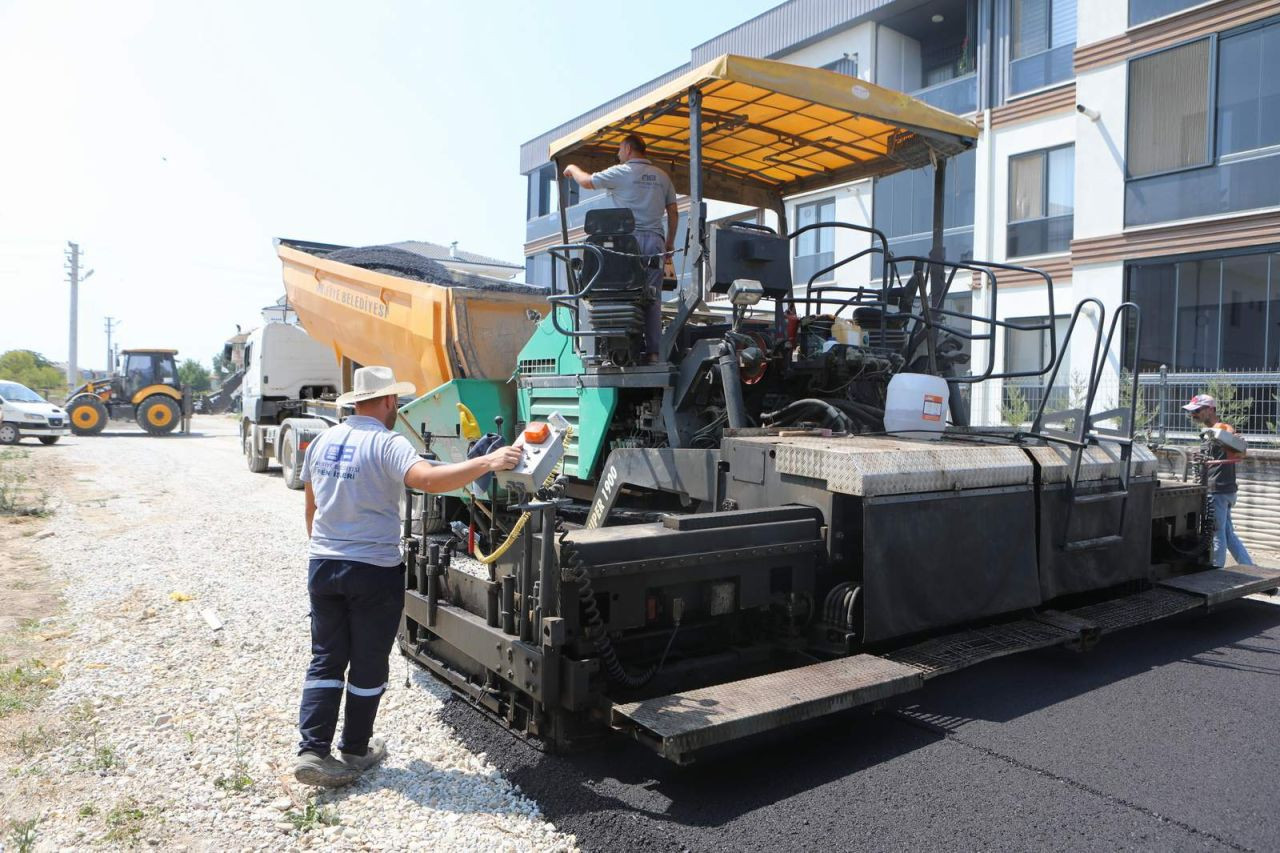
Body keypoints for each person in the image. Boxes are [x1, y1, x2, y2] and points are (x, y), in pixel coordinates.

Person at [293, 366, 522, 787]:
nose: (396, 408)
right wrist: (486, 461)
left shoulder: (322, 440)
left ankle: (312, 751)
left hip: (323, 564)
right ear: (386, 402)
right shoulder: (387, 442)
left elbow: (311, 508)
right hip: (373, 570)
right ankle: (356, 750)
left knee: (326, 657)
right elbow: (428, 481)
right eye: (394, 402)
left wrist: (329, 549)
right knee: (366, 662)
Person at [563, 132, 678, 363]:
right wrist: (669, 244)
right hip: (655, 243)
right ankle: (654, 353)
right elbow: (673, 212)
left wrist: (573, 168)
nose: (618, 154)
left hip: (627, 244)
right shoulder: (662, 176)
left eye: (619, 150)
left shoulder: (621, 172)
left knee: (622, 291)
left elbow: (587, 182)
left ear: (627, 149)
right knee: (652, 297)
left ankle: (616, 348)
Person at [1183, 393, 1253, 569]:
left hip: (1219, 490)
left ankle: (1216, 571)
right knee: (1228, 533)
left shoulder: (1222, 428)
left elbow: (1240, 448)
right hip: (1224, 489)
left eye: (1197, 411)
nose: (1193, 415)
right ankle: (1250, 568)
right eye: (1192, 412)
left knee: (1217, 532)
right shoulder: (1209, 432)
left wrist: (1238, 441)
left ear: (1210, 409)